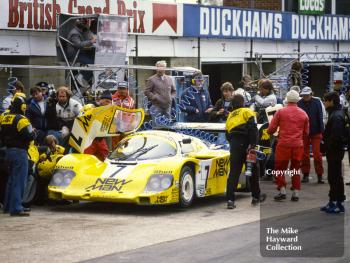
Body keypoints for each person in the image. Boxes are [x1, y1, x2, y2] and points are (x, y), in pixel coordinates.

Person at [225, 94, 266, 209]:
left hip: (234, 145)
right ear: (243, 102)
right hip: (247, 145)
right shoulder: (248, 112)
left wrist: (234, 144)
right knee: (253, 170)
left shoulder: (230, 116)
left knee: (234, 173)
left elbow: (227, 134)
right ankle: (256, 197)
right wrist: (252, 145)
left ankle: (230, 200)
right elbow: (253, 129)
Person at [268, 90, 309, 202]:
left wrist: (269, 132)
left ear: (287, 99)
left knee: (279, 168)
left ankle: (282, 190)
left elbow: (271, 129)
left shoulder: (280, 112)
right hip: (298, 145)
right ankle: (296, 192)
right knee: (295, 168)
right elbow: (306, 132)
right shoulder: (303, 114)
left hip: (283, 144)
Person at [0, 94, 35, 216]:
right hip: (20, 152)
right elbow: (29, 136)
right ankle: (16, 207)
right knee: (19, 181)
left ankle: (8, 207)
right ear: (22, 106)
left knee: (11, 180)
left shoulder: (4, 117)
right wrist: (34, 132)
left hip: (8, 152)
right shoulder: (21, 119)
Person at [321, 92, 347, 213]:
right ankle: (332, 201)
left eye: (325, 100)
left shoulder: (336, 116)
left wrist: (328, 146)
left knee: (336, 177)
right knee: (332, 176)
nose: (324, 103)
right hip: (333, 151)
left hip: (335, 151)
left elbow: (336, 136)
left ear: (331, 101)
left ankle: (339, 203)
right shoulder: (334, 113)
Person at [297, 86, 325, 184]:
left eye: (307, 95)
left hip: (316, 131)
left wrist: (322, 132)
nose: (305, 97)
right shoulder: (299, 103)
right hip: (303, 132)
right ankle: (305, 174)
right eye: (304, 95)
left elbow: (320, 116)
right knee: (304, 154)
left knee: (317, 154)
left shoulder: (317, 102)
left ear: (311, 94)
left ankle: (320, 175)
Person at [144, 60, 176, 125]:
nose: (160, 69)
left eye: (162, 67)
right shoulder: (151, 79)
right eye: (159, 67)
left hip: (167, 107)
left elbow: (174, 91)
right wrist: (154, 97)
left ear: (165, 68)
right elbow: (146, 91)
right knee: (157, 126)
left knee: (167, 126)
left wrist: (171, 97)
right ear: (156, 68)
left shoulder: (169, 79)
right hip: (156, 107)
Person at [67, 18, 96, 87]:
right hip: (74, 54)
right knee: (92, 63)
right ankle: (81, 77)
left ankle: (87, 77)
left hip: (79, 52)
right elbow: (79, 45)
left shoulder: (80, 32)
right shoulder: (74, 33)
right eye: (85, 24)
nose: (86, 25)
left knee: (94, 58)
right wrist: (91, 41)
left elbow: (84, 42)